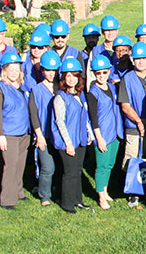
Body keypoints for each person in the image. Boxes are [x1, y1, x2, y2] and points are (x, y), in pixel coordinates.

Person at [119, 41, 146, 209]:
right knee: (132, 158)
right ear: (132, 59)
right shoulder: (127, 79)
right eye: (137, 59)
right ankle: (133, 193)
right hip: (133, 126)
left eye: (144, 58)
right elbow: (125, 105)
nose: (140, 61)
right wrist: (139, 121)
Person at [0, 51, 31, 210]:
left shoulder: (22, 86)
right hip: (9, 134)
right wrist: (0, 135)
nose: (14, 72)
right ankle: (7, 199)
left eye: (16, 69)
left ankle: (18, 192)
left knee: (20, 165)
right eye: (10, 69)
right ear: (4, 70)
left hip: (23, 132)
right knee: (10, 165)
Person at [51, 58, 93, 213]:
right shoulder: (60, 97)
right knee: (69, 173)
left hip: (80, 140)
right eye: (67, 76)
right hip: (68, 142)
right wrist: (68, 143)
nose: (71, 79)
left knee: (77, 171)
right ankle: (67, 203)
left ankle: (78, 200)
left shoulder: (79, 95)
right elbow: (60, 122)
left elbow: (84, 116)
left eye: (74, 76)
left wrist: (88, 134)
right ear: (63, 78)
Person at [88, 55, 123, 209]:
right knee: (101, 166)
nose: (102, 76)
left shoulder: (112, 87)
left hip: (114, 133)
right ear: (94, 74)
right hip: (103, 133)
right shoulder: (92, 93)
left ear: (109, 71)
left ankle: (105, 191)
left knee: (109, 164)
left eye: (104, 72)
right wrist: (99, 137)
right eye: (98, 73)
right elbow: (93, 118)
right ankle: (101, 197)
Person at [28, 50, 61, 206]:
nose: (51, 74)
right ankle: (44, 196)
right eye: (47, 70)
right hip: (44, 134)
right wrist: (39, 136)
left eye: (53, 70)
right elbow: (34, 115)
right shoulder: (37, 90)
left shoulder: (61, 88)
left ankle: (57, 191)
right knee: (47, 167)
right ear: (42, 70)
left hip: (60, 135)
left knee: (59, 166)